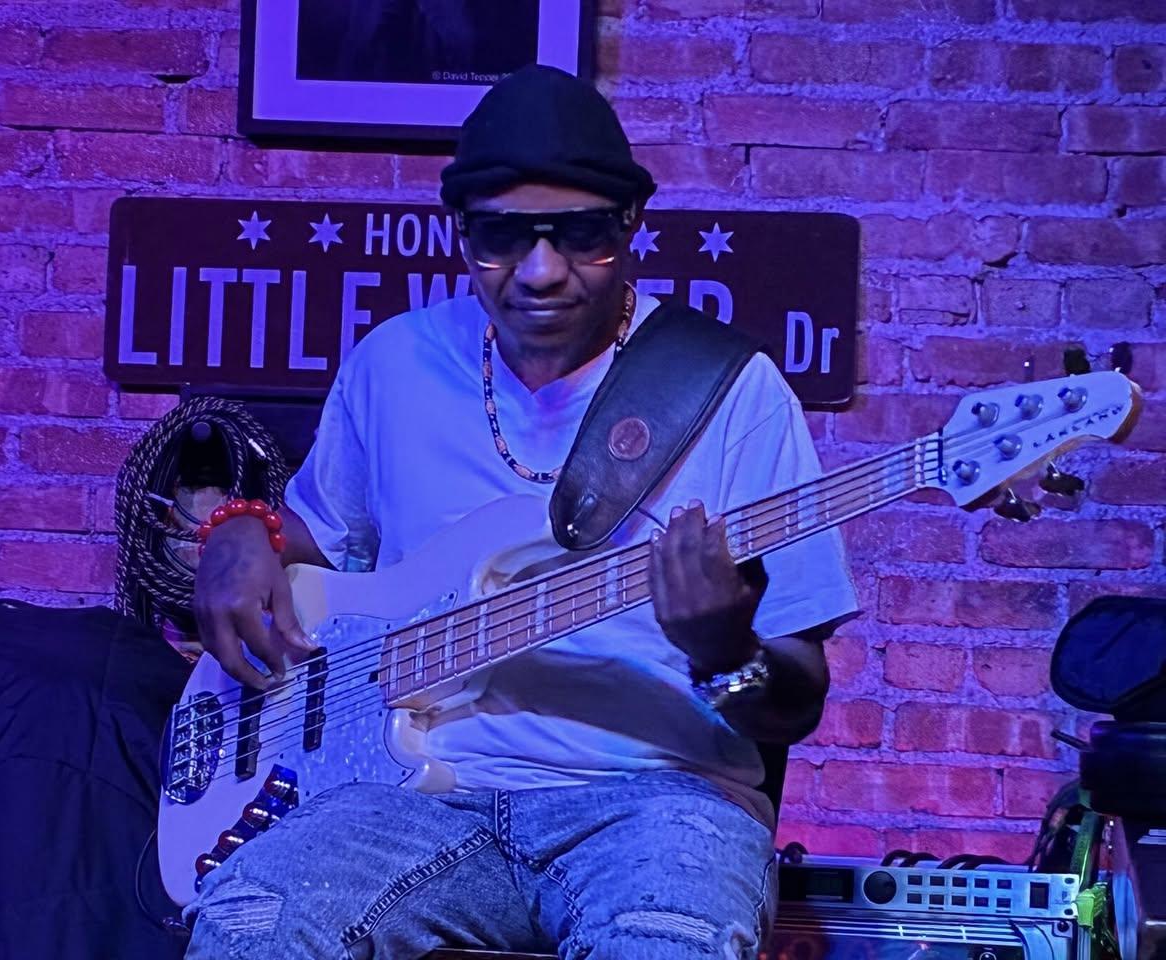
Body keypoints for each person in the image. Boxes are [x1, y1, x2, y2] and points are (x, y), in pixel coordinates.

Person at [187, 65, 857, 960]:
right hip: (414, 799)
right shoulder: (394, 364)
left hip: (659, 803)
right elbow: (315, 552)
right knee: (251, 921)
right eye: (502, 238)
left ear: (631, 224)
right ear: (459, 231)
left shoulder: (734, 392)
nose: (541, 272)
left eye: (581, 235)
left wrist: (725, 653)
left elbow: (794, 705)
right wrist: (240, 529)